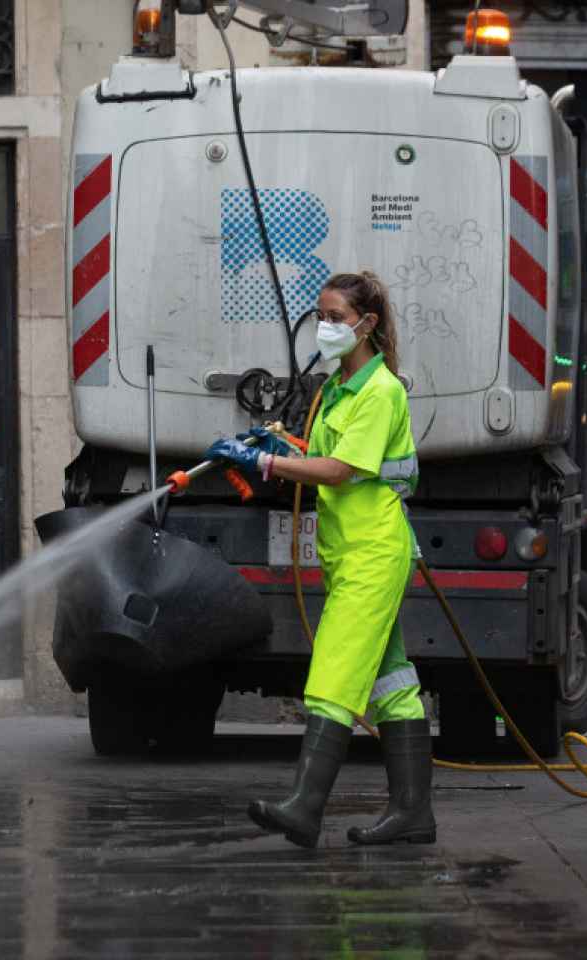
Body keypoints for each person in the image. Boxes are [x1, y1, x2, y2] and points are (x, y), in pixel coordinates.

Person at [206, 270, 433, 848]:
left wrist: (267, 467)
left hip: (374, 553)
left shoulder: (382, 392)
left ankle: (306, 806)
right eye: (322, 316)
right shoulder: (338, 388)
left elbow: (341, 470)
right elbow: (322, 454)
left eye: (335, 317)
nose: (325, 327)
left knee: (333, 674)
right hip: (347, 551)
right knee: (391, 683)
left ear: (367, 324)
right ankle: (413, 815)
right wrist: (275, 446)